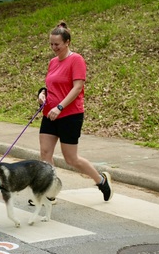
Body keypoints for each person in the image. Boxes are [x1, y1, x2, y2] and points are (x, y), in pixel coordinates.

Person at [36, 22, 112, 200]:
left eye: (57, 44)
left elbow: (77, 88)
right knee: (45, 153)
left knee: (71, 159)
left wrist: (60, 106)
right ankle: (50, 192)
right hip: (49, 114)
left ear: (67, 42)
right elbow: (50, 85)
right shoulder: (53, 62)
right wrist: (42, 93)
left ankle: (101, 180)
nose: (54, 48)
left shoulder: (76, 60)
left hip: (70, 115)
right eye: (51, 44)